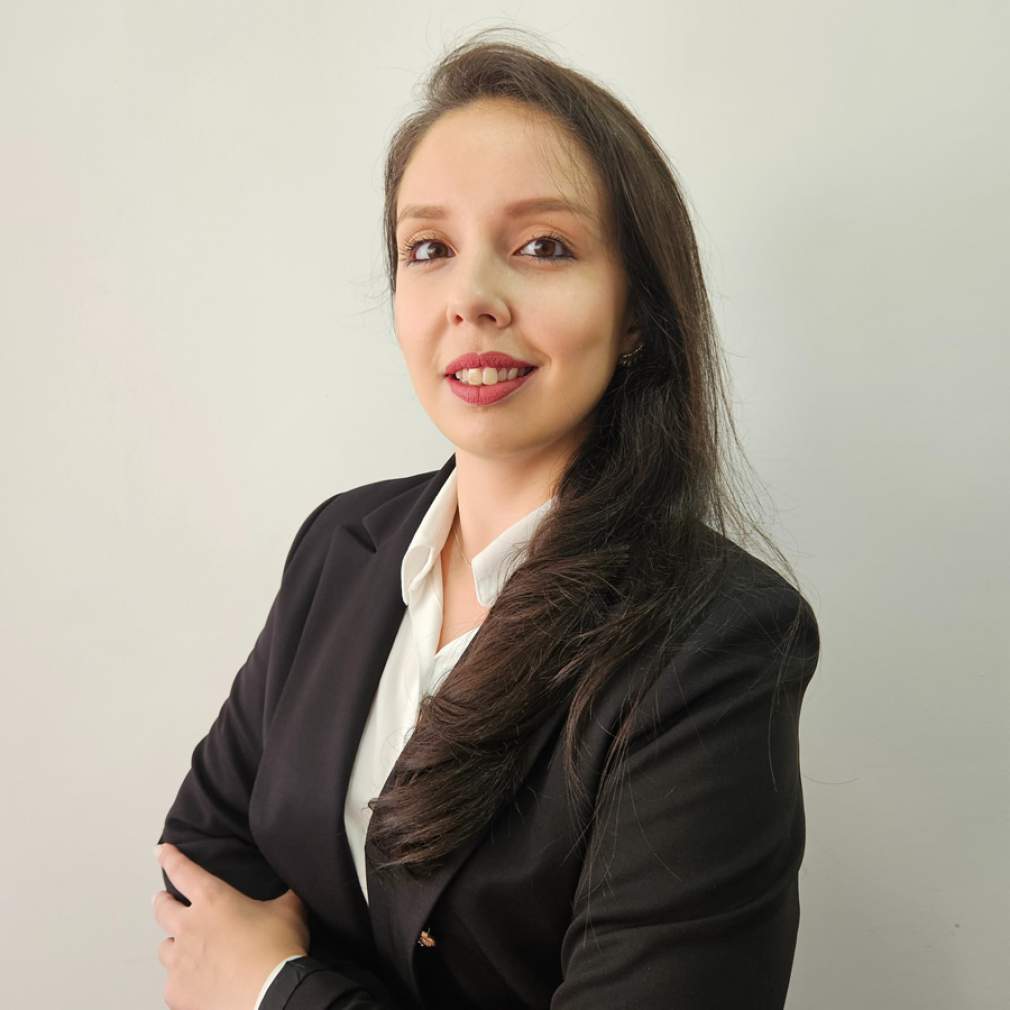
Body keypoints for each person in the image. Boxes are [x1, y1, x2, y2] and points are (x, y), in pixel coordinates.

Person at [153, 27, 821, 1010]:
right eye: (429, 248)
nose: (471, 297)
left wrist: (275, 987)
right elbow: (204, 858)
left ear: (637, 314)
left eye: (543, 246)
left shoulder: (716, 639)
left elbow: (237, 957)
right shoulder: (341, 544)